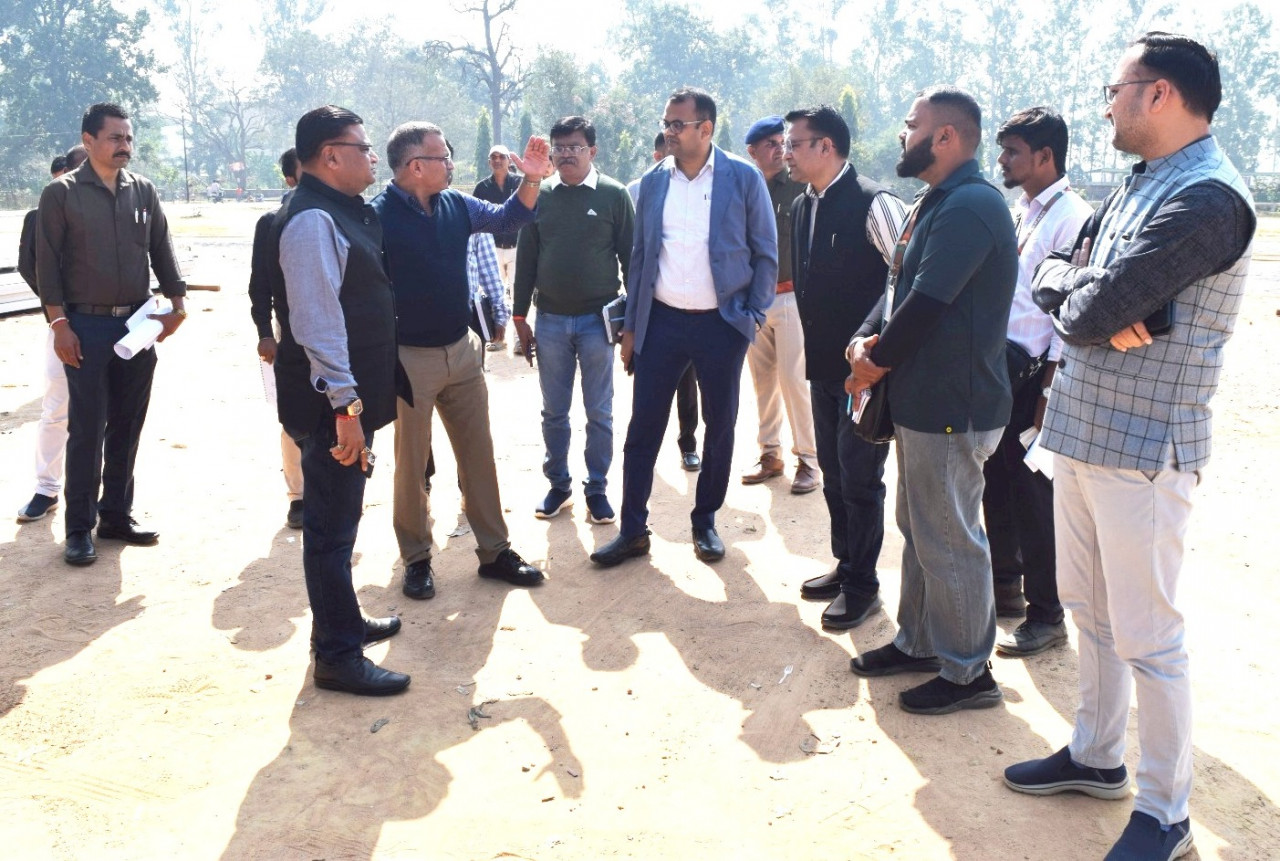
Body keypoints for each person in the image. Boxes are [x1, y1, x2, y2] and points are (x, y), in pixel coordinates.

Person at [1004, 34, 1255, 861]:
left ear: (1159, 94)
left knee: (1149, 636)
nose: (1107, 105)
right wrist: (1084, 297)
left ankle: (1166, 813)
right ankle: (1096, 754)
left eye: (1115, 90)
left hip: (1146, 448)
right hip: (1082, 431)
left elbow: (1085, 308)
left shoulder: (1209, 198)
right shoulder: (1140, 181)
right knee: (1092, 612)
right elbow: (1066, 280)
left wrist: (1087, 302)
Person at [847, 87, 1017, 715]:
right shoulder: (936, 200)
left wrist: (873, 365)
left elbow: (926, 306)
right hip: (926, 402)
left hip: (953, 405)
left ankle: (969, 671)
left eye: (911, 124)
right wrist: (865, 340)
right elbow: (899, 288)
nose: (903, 134)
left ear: (945, 137)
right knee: (921, 529)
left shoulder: (971, 205)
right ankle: (919, 642)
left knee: (948, 538)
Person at [592, 86, 777, 567]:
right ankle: (633, 530)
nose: (669, 132)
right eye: (666, 123)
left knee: (720, 426)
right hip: (662, 323)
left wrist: (752, 317)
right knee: (643, 429)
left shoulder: (742, 177)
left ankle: (705, 521)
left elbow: (765, 253)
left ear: (706, 128)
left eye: (678, 124)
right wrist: (632, 328)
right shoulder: (653, 182)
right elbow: (640, 257)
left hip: (722, 324)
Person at [372, 122, 551, 602]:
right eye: (442, 157)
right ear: (415, 166)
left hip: (462, 350)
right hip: (409, 358)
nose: (451, 164)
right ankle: (416, 558)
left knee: (478, 455)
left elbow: (509, 219)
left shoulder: (458, 205)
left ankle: (495, 552)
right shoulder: (377, 216)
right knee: (412, 464)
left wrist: (532, 178)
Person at [272, 105, 408, 696]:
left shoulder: (337, 211)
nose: (373, 156)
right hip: (330, 408)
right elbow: (317, 325)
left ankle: (342, 623)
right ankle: (336, 656)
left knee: (341, 524)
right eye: (363, 146)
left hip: (342, 402)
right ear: (330, 155)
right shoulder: (311, 221)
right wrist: (346, 409)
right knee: (329, 534)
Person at [36, 104, 189, 566]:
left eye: (128, 137)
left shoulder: (142, 190)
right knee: (87, 428)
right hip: (85, 326)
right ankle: (78, 528)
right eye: (115, 138)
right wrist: (59, 324)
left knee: (127, 423)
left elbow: (161, 247)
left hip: (137, 325)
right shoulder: (61, 194)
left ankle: (116, 516)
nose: (125, 146)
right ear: (88, 141)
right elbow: (47, 265)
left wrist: (177, 304)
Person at [782, 105, 906, 628]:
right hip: (824, 367)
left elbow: (907, 280)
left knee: (860, 478)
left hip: (865, 373)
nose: (786, 153)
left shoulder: (875, 203)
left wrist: (878, 355)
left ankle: (863, 586)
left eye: (794, 144)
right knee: (834, 473)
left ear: (826, 147)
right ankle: (846, 563)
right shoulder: (802, 205)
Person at [983, 107, 1092, 651]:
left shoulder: (1074, 217)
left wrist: (1049, 388)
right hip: (1003, 366)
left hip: (1036, 375)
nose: (1003, 160)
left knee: (1033, 494)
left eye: (1013, 152)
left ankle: (1047, 615)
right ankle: (1006, 587)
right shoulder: (1024, 210)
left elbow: (1069, 311)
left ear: (1045, 156)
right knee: (996, 482)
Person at [512, 116, 634, 525]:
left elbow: (631, 259)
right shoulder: (540, 195)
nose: (565, 154)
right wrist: (519, 315)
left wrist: (633, 321)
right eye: (559, 147)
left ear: (592, 151)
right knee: (554, 411)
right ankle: (559, 486)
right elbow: (527, 259)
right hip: (550, 320)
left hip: (598, 322)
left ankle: (596, 488)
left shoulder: (614, 195)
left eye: (575, 147)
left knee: (599, 411)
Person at [740, 115, 820, 495]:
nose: (779, 149)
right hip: (754, 299)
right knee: (763, 382)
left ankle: (809, 459)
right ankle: (770, 454)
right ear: (752, 152)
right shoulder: (745, 188)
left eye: (781, 142)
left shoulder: (801, 187)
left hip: (792, 297)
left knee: (794, 380)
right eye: (770, 144)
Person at [16, 145, 87, 522]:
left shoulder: (118, 208)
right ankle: (47, 488)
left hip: (109, 326)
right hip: (63, 324)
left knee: (107, 413)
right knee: (56, 407)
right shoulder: (41, 213)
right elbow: (30, 266)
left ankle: (105, 497)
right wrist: (56, 313)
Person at [628, 132, 703, 473]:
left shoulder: (699, 188)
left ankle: (688, 444)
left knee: (687, 383)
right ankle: (645, 452)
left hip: (687, 305)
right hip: (651, 305)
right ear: (657, 153)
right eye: (665, 150)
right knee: (646, 386)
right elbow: (634, 251)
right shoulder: (638, 189)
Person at [249, 148, 306, 529]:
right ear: (290, 178)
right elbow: (260, 286)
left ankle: (334, 493)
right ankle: (298, 496)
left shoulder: (346, 213)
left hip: (339, 339)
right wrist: (265, 334)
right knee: (293, 418)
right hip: (290, 340)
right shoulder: (271, 223)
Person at [474, 144, 521, 351]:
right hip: (491, 249)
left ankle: (520, 339)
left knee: (519, 294)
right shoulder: (482, 188)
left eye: (501, 157)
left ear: (509, 161)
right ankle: (498, 337)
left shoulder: (520, 184)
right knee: (495, 295)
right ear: (489, 162)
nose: (497, 160)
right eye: (493, 157)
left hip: (517, 246)